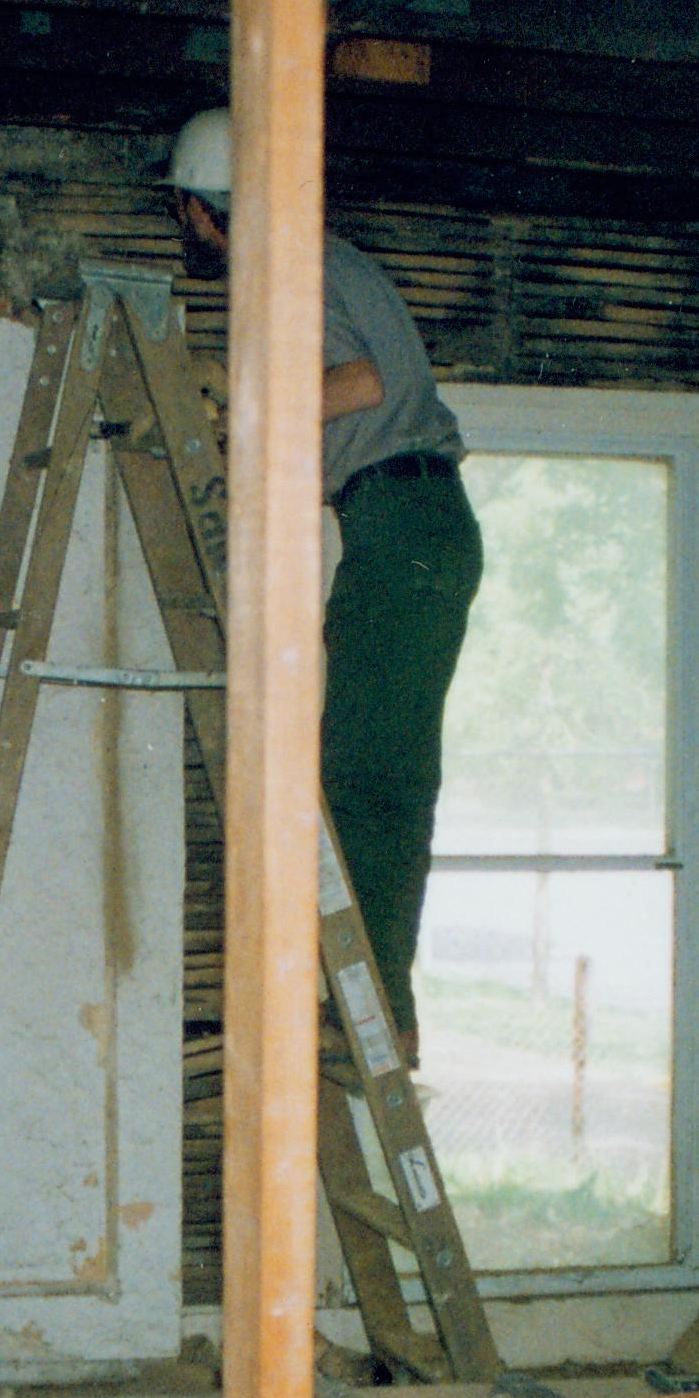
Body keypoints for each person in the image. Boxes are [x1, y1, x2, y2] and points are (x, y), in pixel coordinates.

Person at [167, 107, 479, 1064]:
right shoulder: (305, 270)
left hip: (407, 525)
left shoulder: (298, 266)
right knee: (363, 764)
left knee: (367, 774)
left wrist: (247, 398)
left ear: (202, 209)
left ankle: (376, 1014)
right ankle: (375, 1004)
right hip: (395, 521)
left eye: (186, 216)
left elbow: (373, 384)